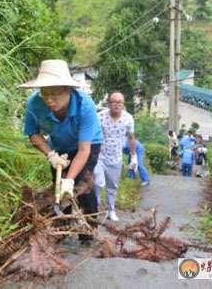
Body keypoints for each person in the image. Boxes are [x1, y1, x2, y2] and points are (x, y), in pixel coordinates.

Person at [21, 59, 102, 240]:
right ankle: (62, 229)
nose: (49, 100)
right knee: (58, 185)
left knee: (82, 185)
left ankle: (88, 231)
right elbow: (33, 133)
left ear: (68, 90)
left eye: (56, 94)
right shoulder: (34, 104)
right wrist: (50, 154)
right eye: (45, 93)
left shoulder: (84, 105)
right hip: (58, 147)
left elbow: (83, 150)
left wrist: (70, 179)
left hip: (87, 145)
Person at [93, 92, 137, 221]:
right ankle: (94, 209)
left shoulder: (128, 118)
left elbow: (131, 138)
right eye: (114, 102)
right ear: (109, 103)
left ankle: (110, 210)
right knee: (97, 183)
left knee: (112, 186)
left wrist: (133, 157)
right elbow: (91, 135)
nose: (117, 104)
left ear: (123, 104)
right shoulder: (100, 117)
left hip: (116, 157)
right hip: (99, 156)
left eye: (120, 102)